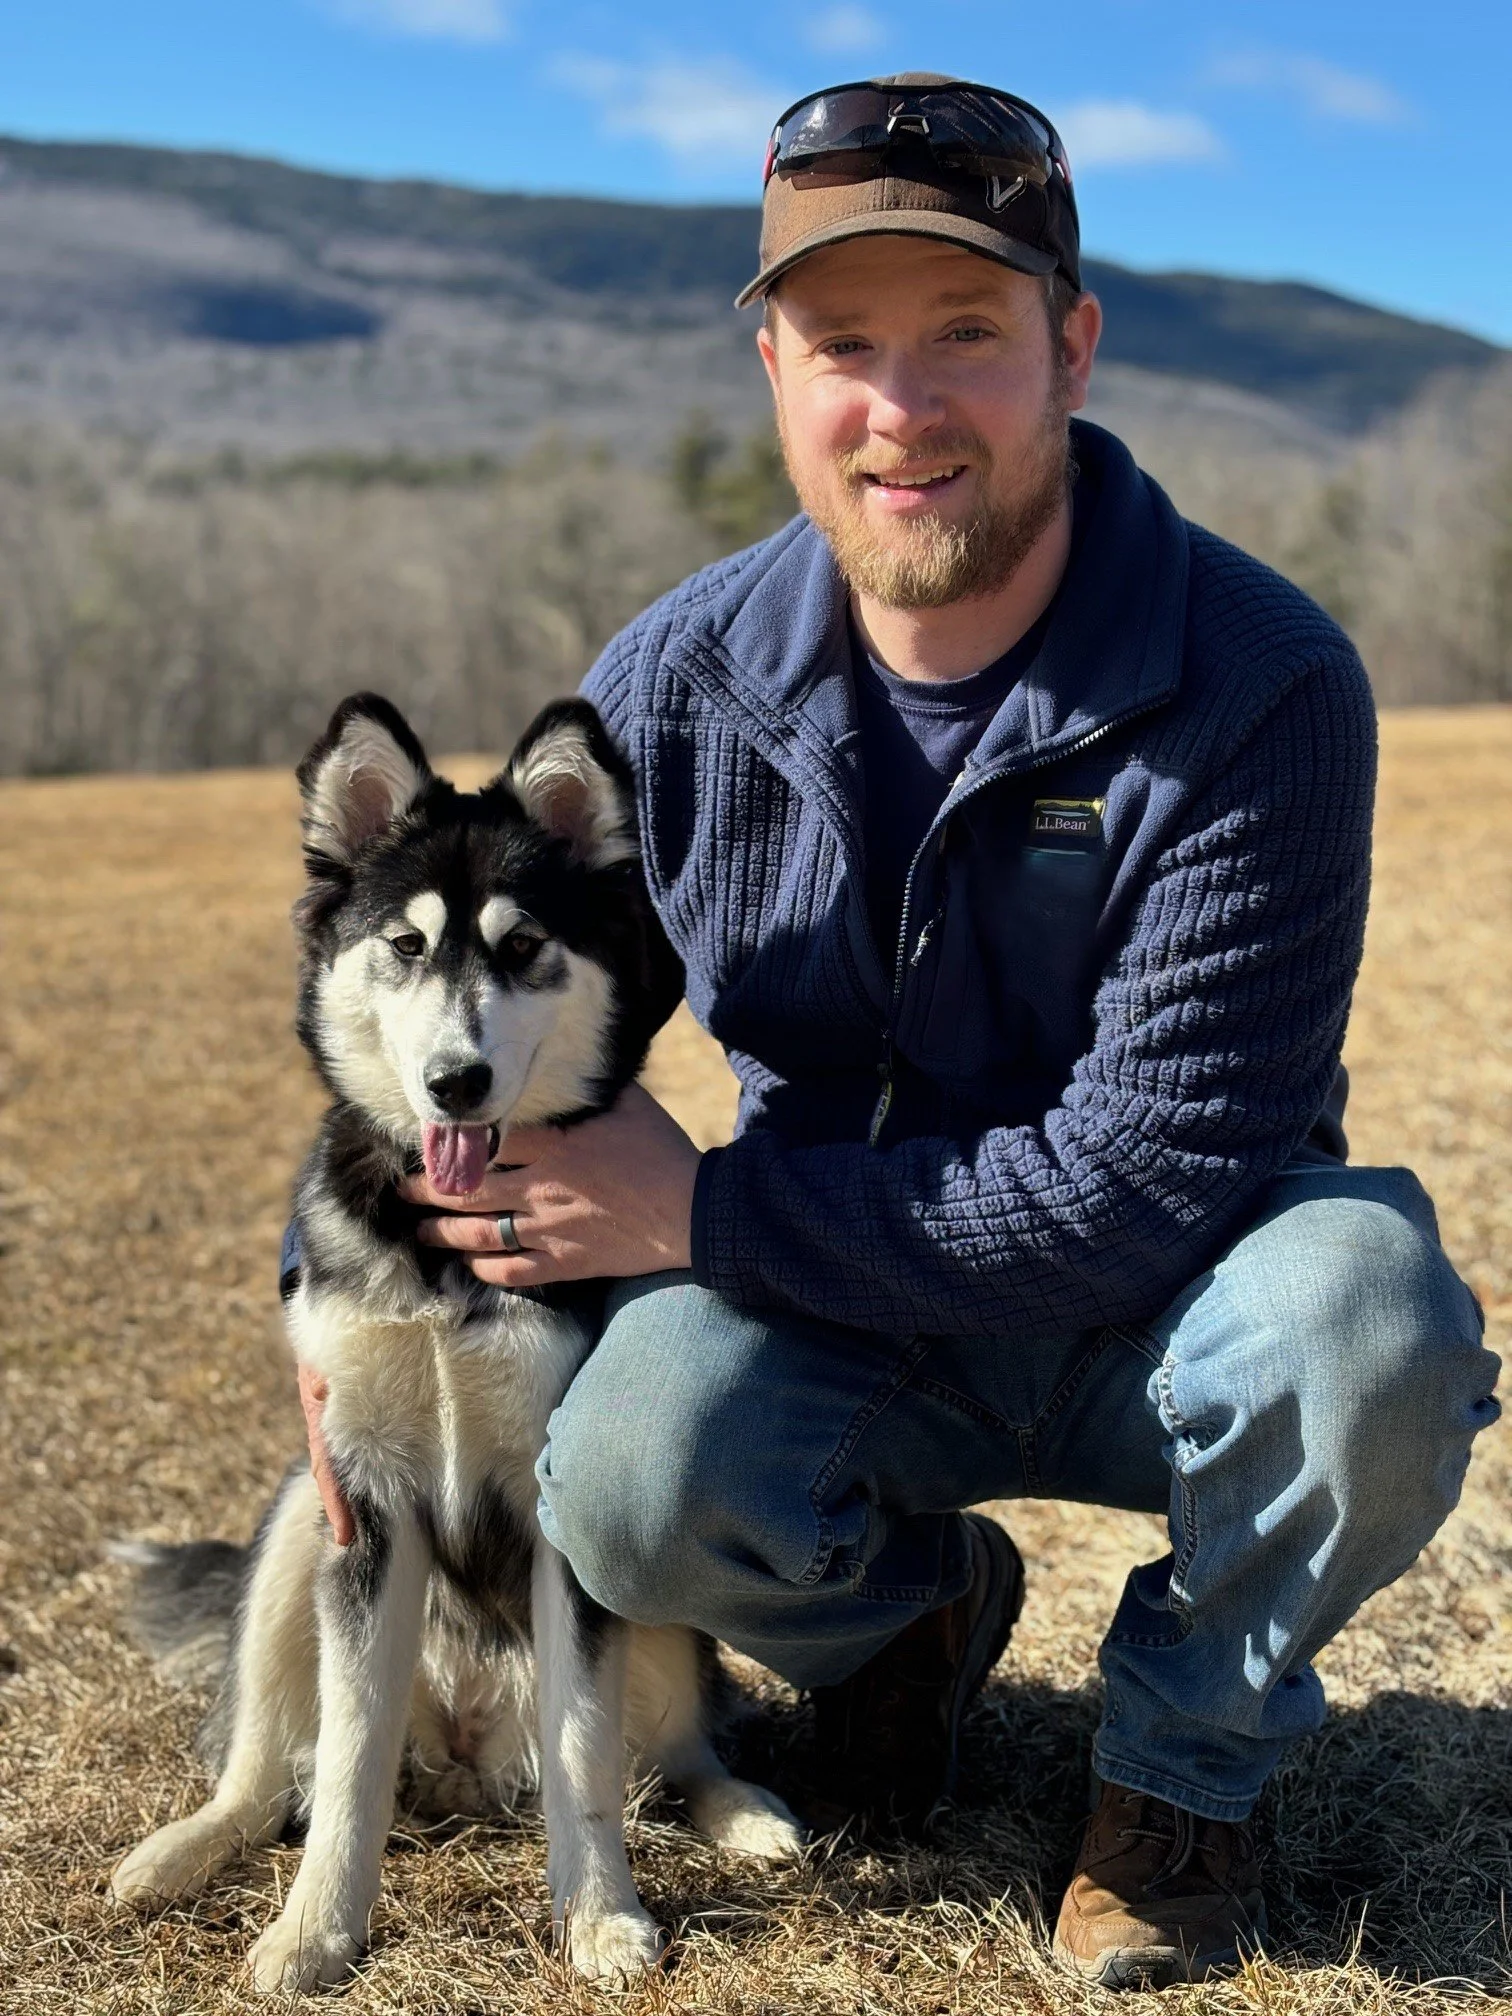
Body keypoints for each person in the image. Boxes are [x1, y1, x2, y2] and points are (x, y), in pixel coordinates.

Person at [299, 75, 1500, 1989]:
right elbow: (508, 1030)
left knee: (1372, 1328)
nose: (903, 406)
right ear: (773, 363)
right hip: (851, 1303)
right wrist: (352, 1290)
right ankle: (907, 1627)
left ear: (1072, 347)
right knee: (628, 1470)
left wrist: (705, 1221)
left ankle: (1181, 1776)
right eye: (843, 342)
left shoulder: (1263, 682)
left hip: (1184, 1288)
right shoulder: (675, 687)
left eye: (967, 334)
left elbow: (1139, 1181)